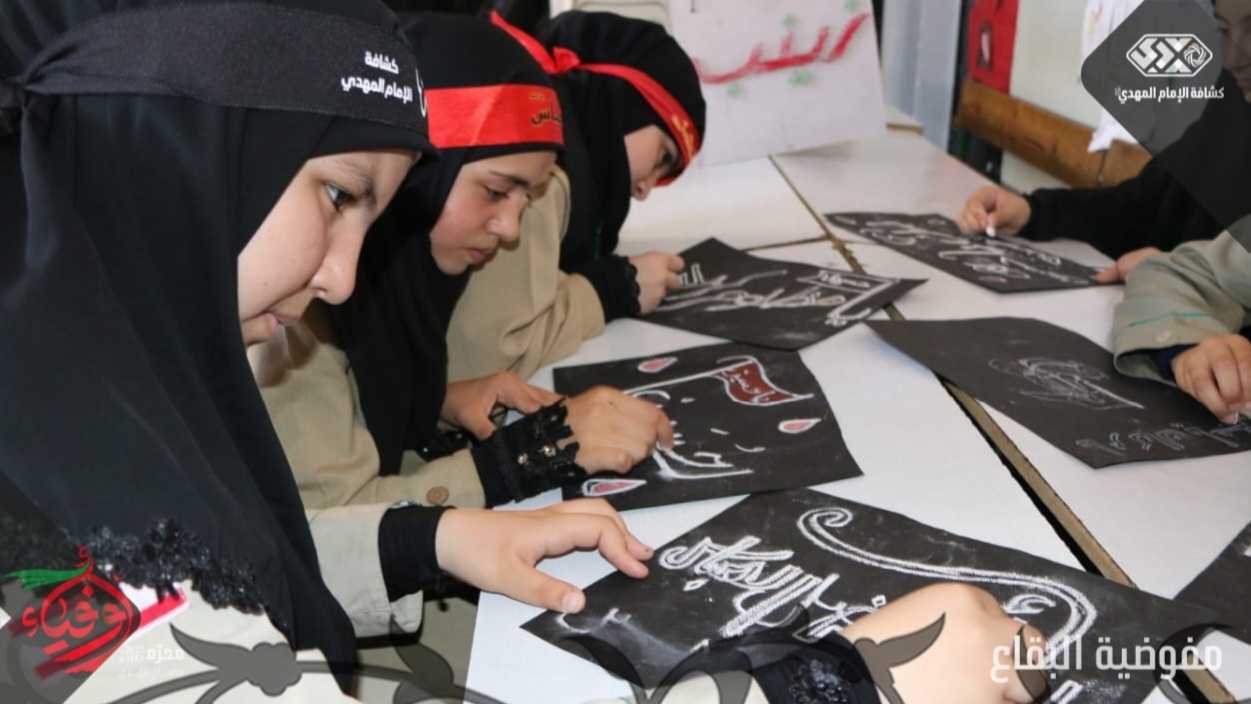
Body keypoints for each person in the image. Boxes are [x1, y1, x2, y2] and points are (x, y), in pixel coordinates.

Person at [1, 1, 654, 699]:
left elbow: (230, 578)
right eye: (338, 195)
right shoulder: (49, 509)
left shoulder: (108, 395)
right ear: (178, 146)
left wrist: (427, 540)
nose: (342, 280)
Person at [443, 10, 705, 383]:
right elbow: (488, 357)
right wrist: (607, 293)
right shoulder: (543, 180)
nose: (645, 189)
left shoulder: (569, 157)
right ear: (625, 106)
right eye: (663, 156)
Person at [956, 0, 1251, 284]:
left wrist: (1184, 274)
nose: (1232, 56)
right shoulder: (1224, 111)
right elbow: (1140, 208)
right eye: (1223, 29)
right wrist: (1032, 211)